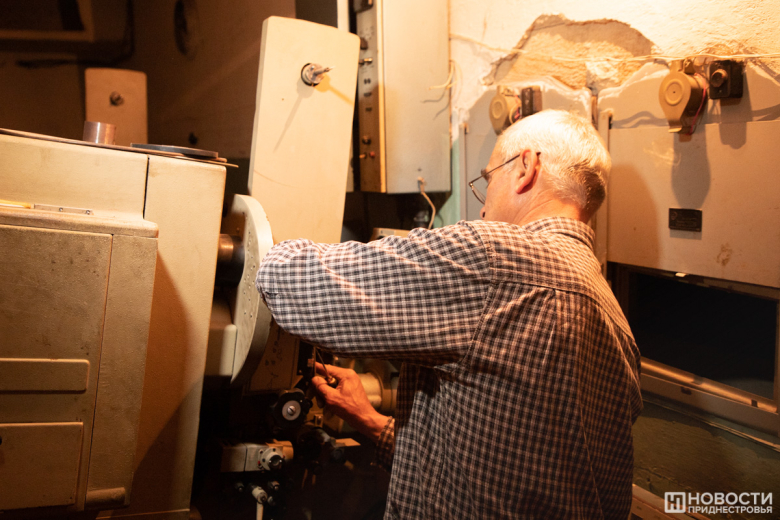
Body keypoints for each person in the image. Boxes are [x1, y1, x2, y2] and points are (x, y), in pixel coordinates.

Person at [255, 109, 642, 519]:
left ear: (525, 167)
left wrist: (260, 243)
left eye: (487, 181)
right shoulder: (616, 319)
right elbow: (502, 471)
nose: (483, 210)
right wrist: (369, 420)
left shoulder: (493, 258)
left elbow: (294, 283)